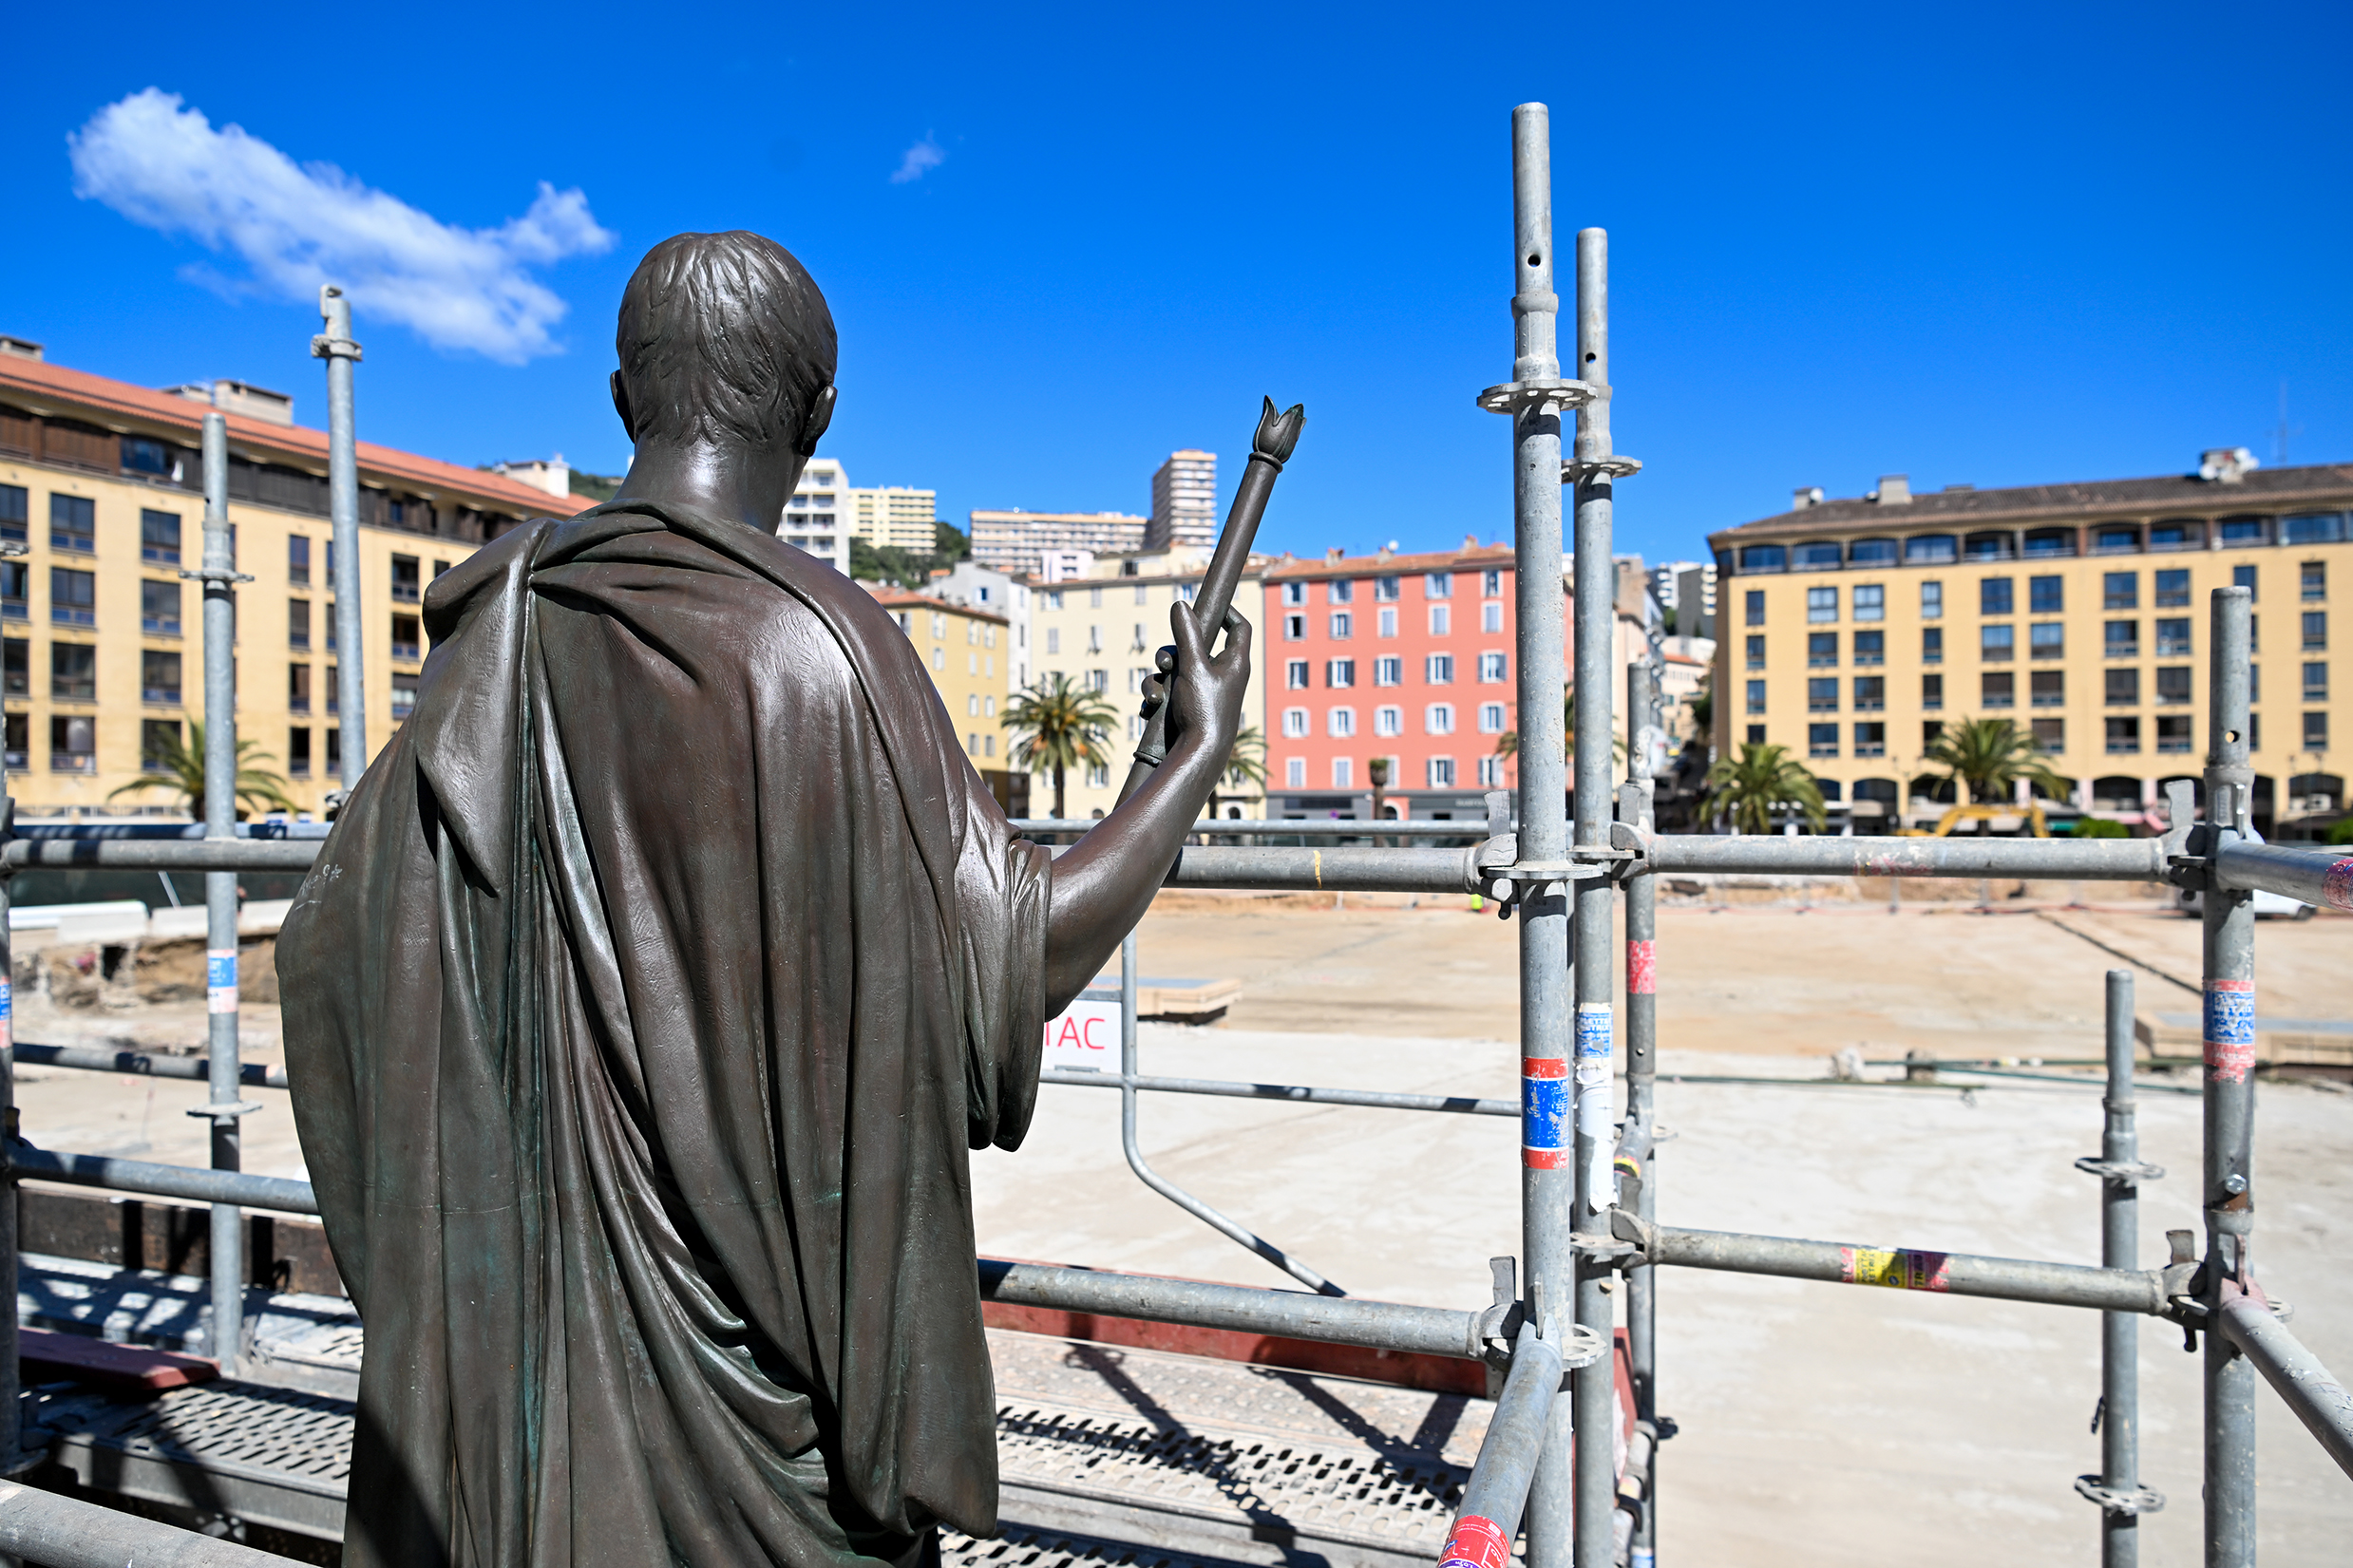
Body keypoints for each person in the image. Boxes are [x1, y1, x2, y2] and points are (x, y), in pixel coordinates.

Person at [278, 231, 1250, 1568]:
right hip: (756, 1440)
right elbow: (1009, 973)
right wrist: (1185, 764)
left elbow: (330, 956)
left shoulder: (490, 639)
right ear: (821, 410)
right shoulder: (829, 648)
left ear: (622, 401)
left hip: (515, 1415)